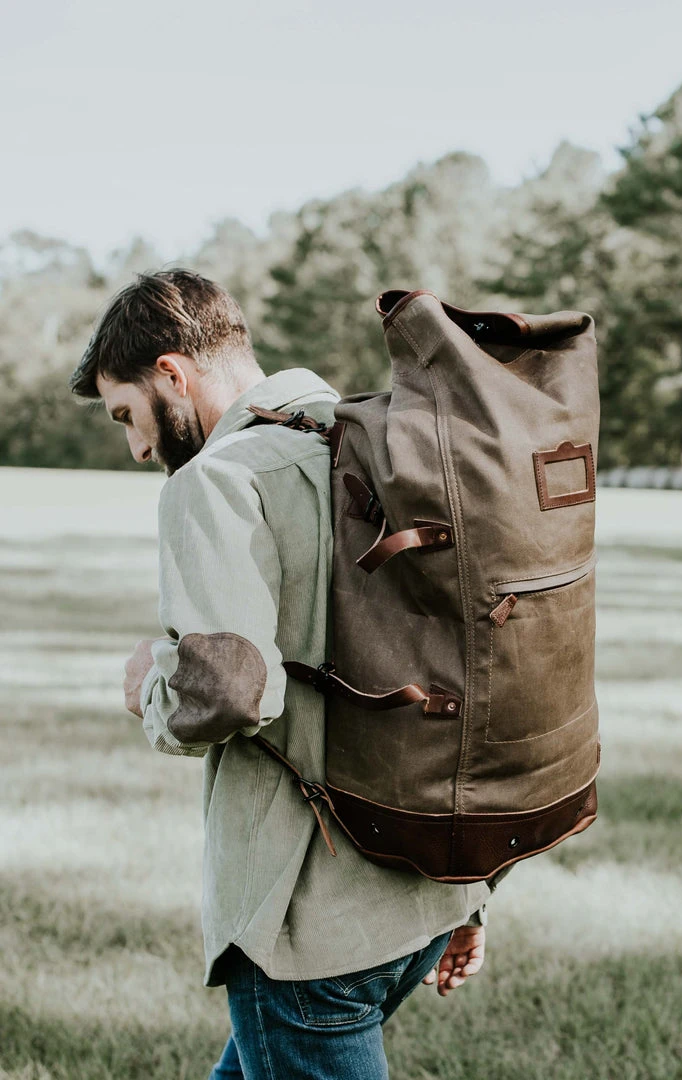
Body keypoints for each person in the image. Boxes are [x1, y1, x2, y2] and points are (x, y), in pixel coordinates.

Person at [69, 268, 492, 1080]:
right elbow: (466, 671)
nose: (137, 446)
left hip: (306, 928)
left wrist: (149, 691)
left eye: (127, 415)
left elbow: (231, 690)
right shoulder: (381, 442)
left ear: (171, 372)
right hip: (420, 891)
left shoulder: (215, 481)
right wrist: (467, 894)